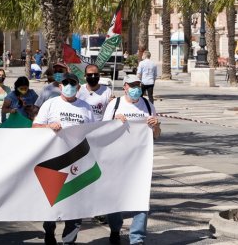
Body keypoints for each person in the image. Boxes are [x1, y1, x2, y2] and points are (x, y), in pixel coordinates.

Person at [32, 73, 94, 245]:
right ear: (60, 87)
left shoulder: (86, 107)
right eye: (65, 83)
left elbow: (94, 132)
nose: (68, 86)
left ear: (78, 87)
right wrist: (48, 126)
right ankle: (49, 232)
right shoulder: (50, 104)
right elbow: (35, 127)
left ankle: (69, 240)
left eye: (72, 83)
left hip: (78, 162)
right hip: (54, 162)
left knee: (75, 206)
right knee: (52, 203)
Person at [103, 75, 161, 245]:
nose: (137, 88)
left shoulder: (148, 106)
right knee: (115, 197)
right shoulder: (115, 104)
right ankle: (115, 229)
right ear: (125, 87)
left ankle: (137, 238)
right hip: (116, 159)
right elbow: (102, 130)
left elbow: (156, 135)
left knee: (141, 198)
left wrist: (156, 125)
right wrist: (114, 121)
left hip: (140, 160)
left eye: (139, 85)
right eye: (133, 85)